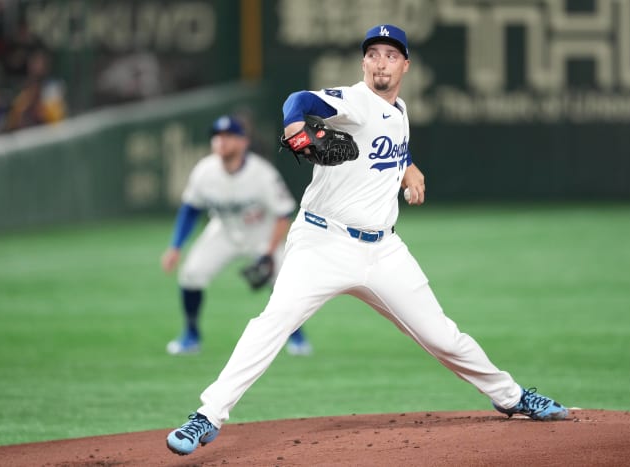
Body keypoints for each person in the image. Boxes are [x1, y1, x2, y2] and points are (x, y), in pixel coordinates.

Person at [166, 24, 568, 456]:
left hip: (383, 251)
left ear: (405, 65)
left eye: (391, 55)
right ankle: (207, 417)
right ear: (364, 62)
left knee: (443, 337)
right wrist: (297, 128)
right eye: (373, 54)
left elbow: (393, 138)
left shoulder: (399, 109)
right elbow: (297, 102)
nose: (381, 62)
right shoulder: (355, 101)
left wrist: (408, 166)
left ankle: (512, 397)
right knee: (272, 323)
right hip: (323, 242)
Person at [161, 114, 312, 357]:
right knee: (191, 274)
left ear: (243, 142)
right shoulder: (204, 171)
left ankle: (296, 336)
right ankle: (190, 335)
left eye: (229, 137)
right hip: (223, 230)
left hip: (261, 233)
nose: (221, 142)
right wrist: (175, 246)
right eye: (217, 137)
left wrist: (269, 252)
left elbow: (284, 213)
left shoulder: (262, 173)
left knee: (284, 281)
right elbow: (190, 209)